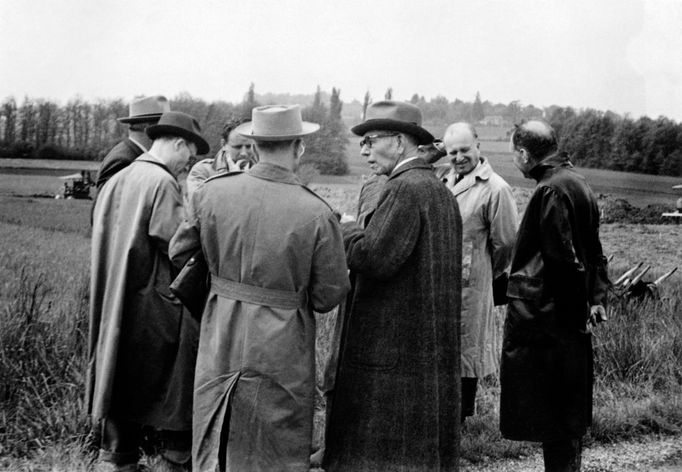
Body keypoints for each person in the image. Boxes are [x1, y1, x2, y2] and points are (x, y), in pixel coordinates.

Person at [169, 104, 350, 472]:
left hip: (220, 329)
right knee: (277, 435)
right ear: (298, 147)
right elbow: (328, 295)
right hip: (283, 344)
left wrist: (222, 285)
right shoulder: (316, 212)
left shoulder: (210, 193)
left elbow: (179, 253)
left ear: (252, 146)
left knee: (218, 424)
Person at [324, 101, 463, 471]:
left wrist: (349, 227)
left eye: (371, 140)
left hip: (392, 352)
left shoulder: (404, 190)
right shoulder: (438, 191)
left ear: (400, 142)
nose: (364, 150)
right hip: (422, 350)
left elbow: (374, 258)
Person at [88, 111, 209, 472]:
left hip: (116, 301)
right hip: (153, 309)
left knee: (119, 380)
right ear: (177, 143)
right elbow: (178, 247)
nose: (190, 162)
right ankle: (175, 461)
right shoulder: (161, 182)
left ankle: (116, 461)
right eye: (190, 152)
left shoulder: (120, 178)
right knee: (172, 390)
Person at [501, 120, 610, 472]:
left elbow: (564, 261)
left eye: (513, 154)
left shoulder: (550, 190)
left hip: (551, 324)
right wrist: (597, 297)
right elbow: (595, 251)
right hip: (567, 321)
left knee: (556, 418)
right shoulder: (577, 182)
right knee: (565, 416)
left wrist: (575, 311)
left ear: (523, 153)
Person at [437, 122, 518, 422]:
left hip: (473, 284)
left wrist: (484, 273)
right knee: (442, 348)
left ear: (478, 146)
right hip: (441, 284)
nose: (458, 157)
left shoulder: (495, 188)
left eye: (464, 150)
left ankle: (459, 420)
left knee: (466, 350)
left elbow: (506, 243)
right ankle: (440, 418)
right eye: (452, 151)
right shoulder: (443, 179)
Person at [95, 95, 170, 190]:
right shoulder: (123, 161)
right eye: (164, 129)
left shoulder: (135, 154)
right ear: (149, 128)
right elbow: (106, 202)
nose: (168, 135)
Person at [185, 117, 257, 199]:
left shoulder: (262, 170)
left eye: (248, 147)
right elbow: (198, 203)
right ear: (223, 144)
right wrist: (233, 180)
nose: (244, 153)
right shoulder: (202, 171)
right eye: (237, 147)